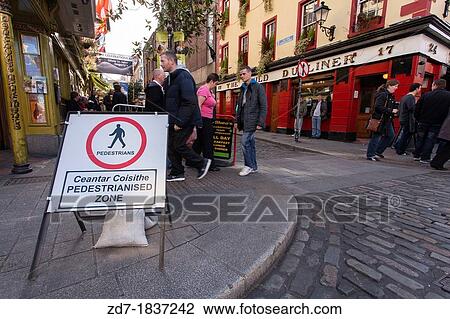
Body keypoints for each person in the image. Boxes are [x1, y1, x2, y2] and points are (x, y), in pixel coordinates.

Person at [160, 51, 211, 182]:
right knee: (171, 146)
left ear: (171, 61)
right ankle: (178, 172)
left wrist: (180, 122)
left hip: (183, 120)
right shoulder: (170, 78)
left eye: (163, 61)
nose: (161, 65)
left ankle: (202, 163)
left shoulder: (184, 77)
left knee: (178, 145)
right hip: (173, 119)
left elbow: (189, 101)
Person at [235, 65, 268, 176]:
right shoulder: (242, 88)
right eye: (240, 74)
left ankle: (248, 166)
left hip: (252, 121)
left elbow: (264, 106)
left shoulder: (258, 87)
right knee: (251, 144)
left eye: (244, 73)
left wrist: (260, 122)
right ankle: (253, 166)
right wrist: (236, 121)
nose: (242, 76)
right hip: (244, 120)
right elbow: (239, 106)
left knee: (244, 142)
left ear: (250, 73)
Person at [413, 79, 450, 164]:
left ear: (435, 85)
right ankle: (425, 157)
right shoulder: (448, 96)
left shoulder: (426, 95)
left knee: (420, 138)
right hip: (438, 122)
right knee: (430, 140)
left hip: (423, 121)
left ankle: (417, 155)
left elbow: (417, 108)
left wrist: (418, 118)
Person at [366, 79, 399, 161]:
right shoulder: (383, 95)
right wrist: (391, 110)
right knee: (376, 136)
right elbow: (378, 106)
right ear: (389, 86)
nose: (396, 88)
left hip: (387, 120)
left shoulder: (390, 95)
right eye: (395, 86)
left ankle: (377, 152)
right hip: (380, 119)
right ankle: (370, 154)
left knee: (391, 136)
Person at [193, 73, 220, 171]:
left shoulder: (209, 91)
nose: (215, 85)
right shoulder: (204, 89)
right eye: (216, 83)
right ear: (212, 81)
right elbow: (198, 105)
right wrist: (198, 121)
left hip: (207, 119)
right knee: (207, 142)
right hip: (203, 119)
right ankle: (210, 164)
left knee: (199, 142)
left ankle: (192, 161)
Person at [394, 83, 421, 155]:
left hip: (403, 118)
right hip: (408, 119)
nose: (420, 90)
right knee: (406, 135)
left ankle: (397, 146)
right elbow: (412, 108)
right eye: (420, 88)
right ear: (416, 89)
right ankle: (400, 150)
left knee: (404, 135)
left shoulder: (405, 97)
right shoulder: (411, 97)